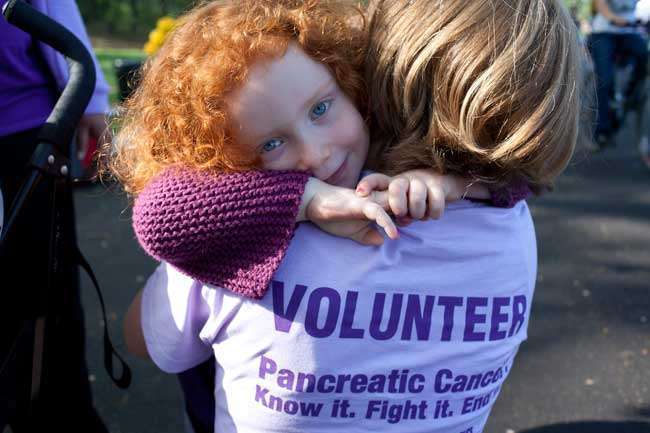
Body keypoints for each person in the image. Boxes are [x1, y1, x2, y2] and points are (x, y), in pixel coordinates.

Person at [110, 0, 584, 432]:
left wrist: (295, 199)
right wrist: (460, 182)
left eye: (321, 107)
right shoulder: (513, 228)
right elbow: (521, 180)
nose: (316, 155)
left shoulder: (236, 240)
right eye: (272, 143)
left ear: (365, 80)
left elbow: (147, 336)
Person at [0, 0, 111, 431]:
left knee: (45, 297)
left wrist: (93, 100)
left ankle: (57, 413)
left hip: (28, 140)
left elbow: (55, 10)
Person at [589, 0, 648, 149]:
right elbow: (599, 4)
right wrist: (613, 18)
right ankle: (601, 131)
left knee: (643, 54)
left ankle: (631, 94)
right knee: (605, 81)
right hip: (604, 32)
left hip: (629, 32)